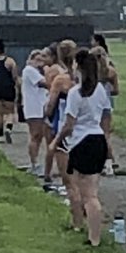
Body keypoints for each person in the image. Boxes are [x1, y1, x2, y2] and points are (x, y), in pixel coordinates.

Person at [52, 48, 112, 245]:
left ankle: (93, 237)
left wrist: (56, 140)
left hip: (81, 141)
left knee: (87, 195)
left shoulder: (75, 93)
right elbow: (105, 117)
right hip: (98, 139)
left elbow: (69, 124)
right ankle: (94, 234)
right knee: (93, 190)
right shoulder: (101, 90)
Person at [43, 40, 76, 195]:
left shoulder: (61, 79)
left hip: (63, 123)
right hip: (84, 126)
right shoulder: (85, 79)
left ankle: (72, 196)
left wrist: (46, 113)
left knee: (65, 166)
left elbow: (50, 105)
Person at [21, 49, 50, 175]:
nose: (40, 63)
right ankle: (34, 163)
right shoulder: (30, 71)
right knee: (35, 135)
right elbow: (45, 83)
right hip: (34, 108)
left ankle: (36, 162)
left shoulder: (37, 72)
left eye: (42, 60)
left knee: (39, 136)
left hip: (40, 107)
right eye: (37, 60)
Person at [0, 39, 19, 142]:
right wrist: (17, 87)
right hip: (8, 88)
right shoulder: (10, 61)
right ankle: (8, 128)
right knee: (10, 111)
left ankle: (0, 135)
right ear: (4, 50)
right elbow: (15, 76)